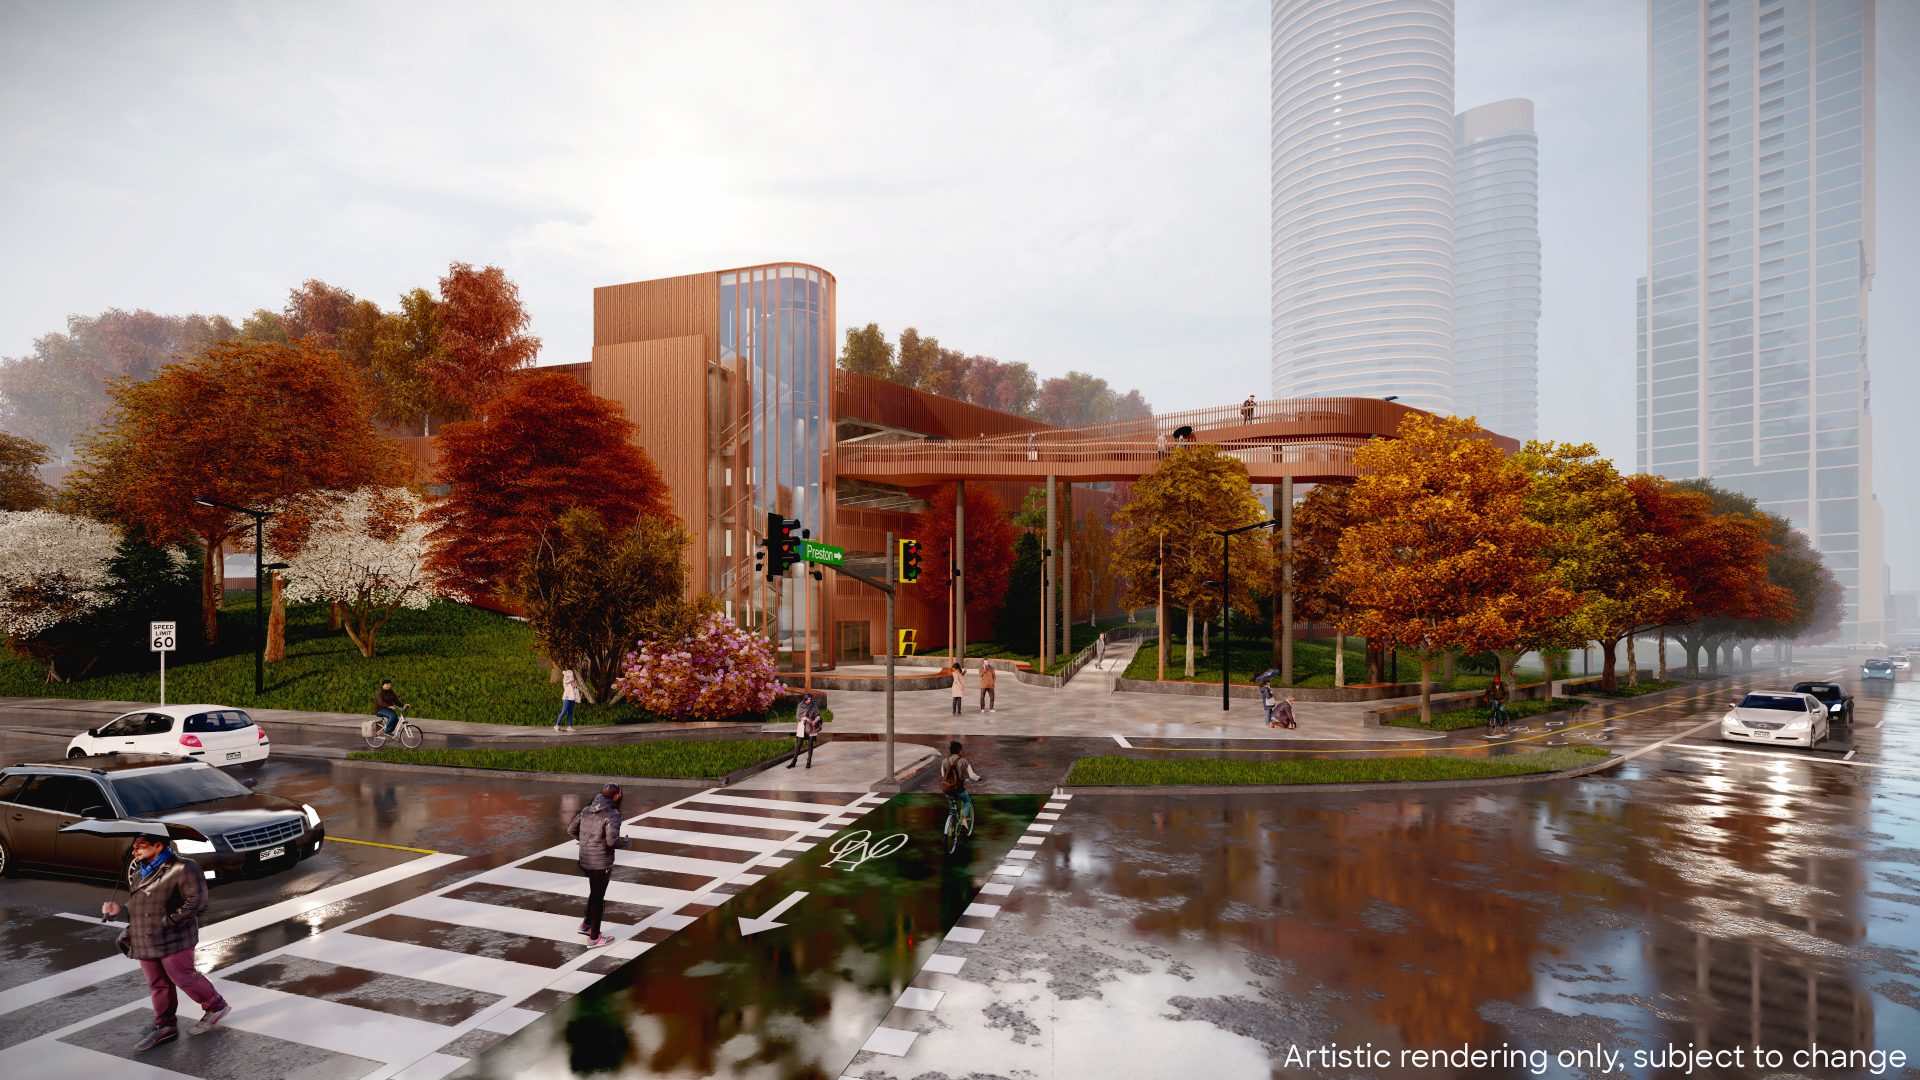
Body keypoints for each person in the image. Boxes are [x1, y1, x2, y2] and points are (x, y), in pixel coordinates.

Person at [103, 832, 231, 1052]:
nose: (135, 851)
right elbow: (138, 906)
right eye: (134, 847)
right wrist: (119, 911)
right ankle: (166, 1025)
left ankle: (216, 1006)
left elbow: (196, 901)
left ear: (158, 845)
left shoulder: (184, 867)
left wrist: (168, 921)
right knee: (157, 984)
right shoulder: (138, 871)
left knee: (183, 977)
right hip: (145, 938)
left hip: (175, 937)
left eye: (140, 846)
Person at [567, 783, 626, 948]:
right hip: (600, 862)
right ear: (616, 796)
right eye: (620, 793)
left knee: (594, 892)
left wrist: (586, 842)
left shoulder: (587, 810)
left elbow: (571, 830)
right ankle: (594, 938)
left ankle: (586, 925)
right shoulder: (612, 814)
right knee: (598, 898)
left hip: (585, 859)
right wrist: (626, 842)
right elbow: (612, 841)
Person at [939, 740, 981, 830]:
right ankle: (964, 821)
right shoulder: (964, 761)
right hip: (959, 790)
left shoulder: (944, 761)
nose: (963, 752)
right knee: (967, 801)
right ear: (959, 751)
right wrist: (979, 778)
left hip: (948, 790)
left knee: (951, 808)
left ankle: (950, 826)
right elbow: (972, 776)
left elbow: (943, 775)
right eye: (962, 750)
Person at [787, 693, 822, 768]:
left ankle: (808, 762)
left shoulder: (813, 704)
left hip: (811, 726)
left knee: (810, 744)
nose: (810, 700)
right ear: (805, 699)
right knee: (798, 744)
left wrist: (815, 720)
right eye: (808, 699)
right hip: (802, 726)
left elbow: (818, 714)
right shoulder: (800, 705)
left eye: (810, 699)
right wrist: (806, 718)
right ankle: (793, 762)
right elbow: (798, 716)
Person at [555, 669, 581, 733]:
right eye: (569, 675)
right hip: (566, 698)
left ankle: (569, 727)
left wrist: (575, 685)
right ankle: (557, 725)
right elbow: (569, 681)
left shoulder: (573, 681)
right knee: (563, 711)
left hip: (572, 698)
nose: (571, 676)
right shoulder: (565, 680)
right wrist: (572, 681)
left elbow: (576, 688)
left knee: (570, 713)